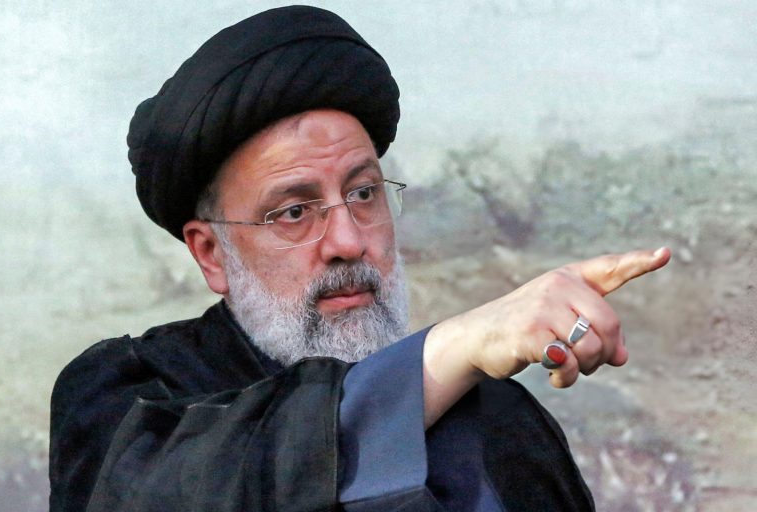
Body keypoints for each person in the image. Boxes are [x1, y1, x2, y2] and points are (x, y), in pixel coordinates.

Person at [48, 6, 670, 512]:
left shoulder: (497, 415)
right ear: (212, 253)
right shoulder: (135, 396)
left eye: (364, 194)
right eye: (295, 211)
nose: (348, 241)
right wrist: (442, 353)